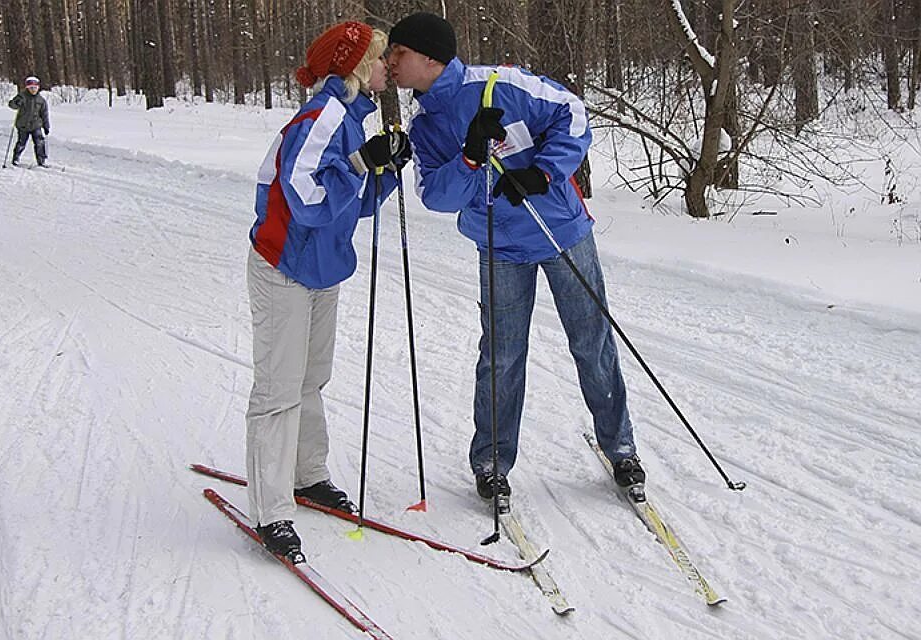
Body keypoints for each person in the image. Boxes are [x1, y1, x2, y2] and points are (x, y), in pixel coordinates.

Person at [386, 13, 645, 504]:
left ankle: (621, 447)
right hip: (499, 244)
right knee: (502, 356)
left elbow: (573, 115)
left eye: (397, 53)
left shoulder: (503, 84)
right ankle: (491, 461)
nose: (389, 64)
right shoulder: (425, 126)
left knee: (591, 343)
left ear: (429, 58)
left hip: (561, 233)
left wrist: (544, 174)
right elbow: (435, 195)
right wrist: (468, 157)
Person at [246, 20, 411, 560]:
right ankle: (272, 511)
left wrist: (382, 171)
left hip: (321, 267)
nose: (390, 65)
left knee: (312, 377)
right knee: (278, 389)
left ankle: (307, 475)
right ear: (359, 64)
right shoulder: (323, 116)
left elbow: (349, 203)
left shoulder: (350, 117)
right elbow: (305, 196)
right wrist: (363, 163)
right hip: (285, 267)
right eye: (383, 57)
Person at [7, 76, 50, 167]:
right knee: (21, 143)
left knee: (39, 142)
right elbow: (12, 105)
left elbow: (44, 114)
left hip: (36, 125)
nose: (33, 90)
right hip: (23, 125)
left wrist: (46, 126)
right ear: (27, 88)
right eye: (31, 88)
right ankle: (16, 158)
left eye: (35, 88)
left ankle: (41, 160)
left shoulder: (41, 100)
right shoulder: (22, 96)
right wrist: (16, 103)